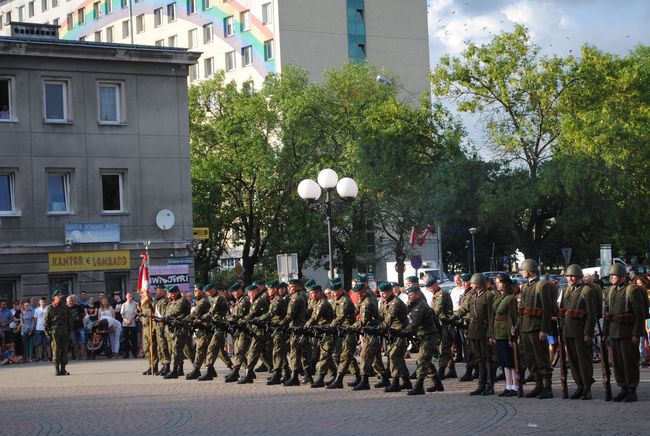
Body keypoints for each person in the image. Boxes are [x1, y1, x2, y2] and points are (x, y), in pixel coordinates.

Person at [605, 264, 646, 402]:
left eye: (613, 275)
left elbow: (639, 315)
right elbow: (607, 314)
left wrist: (636, 334)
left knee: (629, 362)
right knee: (618, 363)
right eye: (610, 275)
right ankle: (623, 387)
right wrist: (605, 333)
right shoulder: (610, 291)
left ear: (622, 277)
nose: (611, 277)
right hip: (614, 332)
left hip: (628, 333)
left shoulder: (632, 290)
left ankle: (632, 389)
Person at [517, 258, 555, 399]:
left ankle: (547, 387)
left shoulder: (542, 286)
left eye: (523, 270)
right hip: (526, 328)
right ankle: (538, 385)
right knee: (530, 360)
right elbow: (522, 310)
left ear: (529, 271)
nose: (521, 272)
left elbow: (547, 309)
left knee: (541, 359)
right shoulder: (525, 287)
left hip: (537, 327)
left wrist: (544, 330)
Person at [560, 264, 598, 400]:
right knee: (573, 362)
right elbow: (562, 312)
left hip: (581, 332)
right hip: (568, 331)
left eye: (573, 276)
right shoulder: (565, 290)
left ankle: (587, 387)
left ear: (579, 277)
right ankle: (579, 385)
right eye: (568, 276)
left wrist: (588, 333)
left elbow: (591, 314)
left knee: (584, 361)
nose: (570, 278)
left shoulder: (586, 291)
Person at [457, 273, 495, 396]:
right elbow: (465, 308)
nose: (470, 284)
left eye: (472, 283)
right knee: (479, 360)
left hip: (484, 331)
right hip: (473, 331)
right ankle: (481, 384)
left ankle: (489, 385)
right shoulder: (473, 296)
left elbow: (491, 317)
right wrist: (455, 316)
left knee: (487, 359)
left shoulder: (488, 296)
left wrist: (490, 334)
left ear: (478, 283)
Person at [402, 285, 445, 395]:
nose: (409, 297)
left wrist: (402, 332)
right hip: (423, 336)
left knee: (422, 360)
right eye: (408, 295)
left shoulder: (420, 307)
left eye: (411, 295)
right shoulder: (414, 304)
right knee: (426, 360)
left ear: (417, 294)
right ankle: (437, 383)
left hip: (429, 336)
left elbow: (414, 325)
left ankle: (419, 386)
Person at [349, 277, 385, 391]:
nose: (357, 296)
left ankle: (364, 381)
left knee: (364, 356)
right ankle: (385, 379)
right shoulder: (364, 298)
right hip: (369, 331)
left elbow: (364, 320)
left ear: (363, 291)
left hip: (372, 331)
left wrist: (351, 327)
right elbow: (356, 311)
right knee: (375, 358)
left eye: (359, 294)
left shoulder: (367, 301)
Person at [326, 279, 361, 389]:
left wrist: (330, 326)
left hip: (349, 332)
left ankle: (339, 380)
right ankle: (359, 377)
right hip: (342, 331)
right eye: (332, 291)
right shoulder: (337, 299)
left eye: (336, 291)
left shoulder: (344, 301)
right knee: (348, 356)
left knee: (345, 356)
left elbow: (340, 317)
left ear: (341, 290)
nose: (334, 293)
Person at [378, 281, 410, 392]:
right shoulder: (383, 301)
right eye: (381, 292)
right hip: (392, 333)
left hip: (400, 333)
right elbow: (381, 317)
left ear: (391, 291)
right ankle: (406, 382)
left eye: (385, 293)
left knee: (394, 357)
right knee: (398, 358)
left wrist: (378, 329)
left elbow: (387, 321)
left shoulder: (395, 303)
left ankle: (395, 383)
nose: (382, 295)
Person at [256, 281, 288, 385]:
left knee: (277, 352)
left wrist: (259, 319)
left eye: (270, 289)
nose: (268, 291)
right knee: (280, 352)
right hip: (276, 328)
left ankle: (277, 374)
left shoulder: (277, 300)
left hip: (280, 329)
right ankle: (286, 373)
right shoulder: (274, 299)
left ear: (275, 289)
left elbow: (271, 314)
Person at [492, 273, 519, 396]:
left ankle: (515, 386)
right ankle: (508, 385)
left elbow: (514, 317)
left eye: (499, 282)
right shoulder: (499, 297)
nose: (497, 284)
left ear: (506, 283)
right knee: (504, 362)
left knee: (511, 361)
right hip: (499, 332)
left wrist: (512, 334)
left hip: (507, 332)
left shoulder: (511, 298)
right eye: (496, 282)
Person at [199, 284, 233, 381]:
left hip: (220, 327)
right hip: (217, 326)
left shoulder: (218, 298)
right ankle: (234, 368)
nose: (207, 293)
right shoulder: (214, 298)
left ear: (214, 290)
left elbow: (211, 312)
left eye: (209, 291)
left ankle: (209, 371)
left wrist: (200, 318)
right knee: (220, 351)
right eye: (207, 291)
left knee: (212, 348)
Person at [305, 283, 336, 388]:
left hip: (327, 332)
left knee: (324, 355)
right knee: (326, 355)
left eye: (312, 293)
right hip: (321, 332)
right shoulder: (316, 302)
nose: (311, 295)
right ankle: (335, 375)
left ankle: (321, 379)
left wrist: (305, 327)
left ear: (318, 292)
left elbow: (314, 318)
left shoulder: (322, 303)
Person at [429, 277, 456, 380]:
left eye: (431, 286)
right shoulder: (436, 294)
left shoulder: (441, 294)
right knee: (446, 348)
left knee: (444, 348)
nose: (430, 289)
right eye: (429, 288)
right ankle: (452, 370)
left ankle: (441, 370)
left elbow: (437, 310)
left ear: (436, 284)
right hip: (440, 324)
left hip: (445, 324)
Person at [224, 283, 251, 383]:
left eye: (236, 291)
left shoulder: (244, 301)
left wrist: (231, 319)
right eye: (233, 292)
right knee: (241, 351)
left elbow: (239, 316)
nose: (234, 293)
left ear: (241, 290)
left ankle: (235, 372)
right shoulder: (238, 301)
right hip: (239, 330)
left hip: (244, 330)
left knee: (240, 351)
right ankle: (249, 372)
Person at [185, 284, 212, 380]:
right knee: (203, 350)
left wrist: (184, 320)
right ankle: (210, 371)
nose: (195, 292)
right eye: (195, 290)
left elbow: (195, 314)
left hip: (205, 329)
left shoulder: (203, 302)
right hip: (202, 329)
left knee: (200, 349)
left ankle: (197, 370)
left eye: (197, 290)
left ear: (202, 291)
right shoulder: (200, 301)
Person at [44, 290, 73, 375]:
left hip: (64, 332)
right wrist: (48, 333)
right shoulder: (50, 307)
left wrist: (69, 331)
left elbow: (70, 320)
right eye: (58, 296)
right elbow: (46, 322)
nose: (60, 297)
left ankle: (63, 369)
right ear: (54, 297)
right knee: (55, 351)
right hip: (54, 332)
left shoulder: (65, 307)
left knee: (64, 350)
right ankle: (57, 370)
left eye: (61, 296)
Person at [153, 285, 172, 377]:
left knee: (164, 347)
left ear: (163, 291)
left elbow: (164, 316)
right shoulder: (158, 301)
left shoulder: (164, 302)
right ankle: (164, 365)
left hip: (162, 327)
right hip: (158, 327)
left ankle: (167, 365)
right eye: (156, 290)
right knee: (160, 347)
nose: (157, 291)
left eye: (158, 290)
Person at [139, 288, 158, 375]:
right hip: (145, 328)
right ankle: (150, 365)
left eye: (146, 292)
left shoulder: (153, 304)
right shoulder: (143, 305)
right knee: (146, 349)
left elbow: (156, 315)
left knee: (152, 348)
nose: (144, 294)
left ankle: (154, 366)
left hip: (151, 328)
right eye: (143, 293)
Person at [67, 295, 87, 360]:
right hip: (71, 328)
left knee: (82, 342)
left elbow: (84, 314)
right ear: (67, 301)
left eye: (72, 301)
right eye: (69, 301)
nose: (70, 302)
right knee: (74, 342)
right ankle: (77, 356)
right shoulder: (65, 308)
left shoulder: (79, 307)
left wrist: (81, 319)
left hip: (80, 326)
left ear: (74, 301)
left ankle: (83, 356)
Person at [34, 297, 51, 362]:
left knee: (48, 344)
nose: (43, 303)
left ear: (45, 302)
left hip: (47, 328)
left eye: (44, 302)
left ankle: (49, 357)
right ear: (39, 302)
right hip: (39, 329)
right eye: (41, 302)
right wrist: (35, 328)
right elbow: (35, 320)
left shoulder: (48, 309)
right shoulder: (37, 310)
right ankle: (40, 358)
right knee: (39, 344)